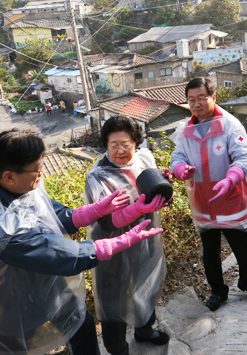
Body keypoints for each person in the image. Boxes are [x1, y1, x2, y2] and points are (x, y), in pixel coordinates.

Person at [0, 129, 163, 354]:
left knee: (82, 326)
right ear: (9, 176)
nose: (42, 172)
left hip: (47, 283)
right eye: (37, 168)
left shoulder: (13, 183)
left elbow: (50, 215)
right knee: (18, 345)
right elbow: (57, 253)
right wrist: (120, 242)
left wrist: (94, 210)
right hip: (12, 300)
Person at [170, 78, 247, 311]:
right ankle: (217, 291)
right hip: (203, 202)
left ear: (213, 98)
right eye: (191, 100)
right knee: (210, 252)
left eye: (201, 98)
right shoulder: (186, 129)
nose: (196, 104)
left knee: (243, 247)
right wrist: (179, 168)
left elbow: (244, 157)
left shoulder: (230, 125)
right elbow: (178, 156)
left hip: (232, 199)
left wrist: (230, 178)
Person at [84, 117, 171, 355]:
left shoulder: (144, 158)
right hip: (113, 242)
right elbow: (107, 220)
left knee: (147, 280)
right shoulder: (98, 174)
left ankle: (144, 329)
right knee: (113, 294)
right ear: (106, 144)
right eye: (114, 145)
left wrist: (163, 188)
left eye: (126, 144)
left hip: (145, 234)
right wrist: (137, 209)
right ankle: (117, 347)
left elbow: (153, 192)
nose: (121, 150)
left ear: (136, 142)